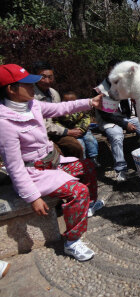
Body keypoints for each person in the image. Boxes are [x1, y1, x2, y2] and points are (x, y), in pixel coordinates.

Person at [0, 64, 104, 261]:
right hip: (35, 174)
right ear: (11, 89)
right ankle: (72, 241)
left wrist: (90, 102)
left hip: (52, 163)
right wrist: (33, 197)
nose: (34, 86)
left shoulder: (33, 105)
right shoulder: (4, 123)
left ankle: (88, 206)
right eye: (27, 84)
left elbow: (62, 107)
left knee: (87, 166)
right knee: (78, 191)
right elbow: (14, 167)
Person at [94, 59, 140, 182]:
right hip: (108, 120)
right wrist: (125, 124)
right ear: (108, 71)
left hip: (125, 117)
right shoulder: (101, 90)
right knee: (116, 135)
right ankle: (121, 170)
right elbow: (106, 115)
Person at [33, 61, 84, 159]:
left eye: (50, 77)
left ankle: (78, 172)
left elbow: (59, 116)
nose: (47, 81)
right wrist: (66, 131)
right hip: (40, 135)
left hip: (57, 132)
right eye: (43, 77)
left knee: (76, 147)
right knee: (56, 154)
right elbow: (42, 124)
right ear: (35, 77)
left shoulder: (54, 93)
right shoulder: (31, 95)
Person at [56, 91, 101, 167]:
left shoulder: (82, 109)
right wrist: (68, 131)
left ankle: (93, 157)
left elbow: (86, 119)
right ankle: (82, 161)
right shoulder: (59, 111)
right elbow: (57, 123)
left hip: (82, 129)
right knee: (80, 144)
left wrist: (81, 128)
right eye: (67, 101)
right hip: (70, 132)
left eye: (73, 101)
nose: (70, 104)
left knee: (90, 139)